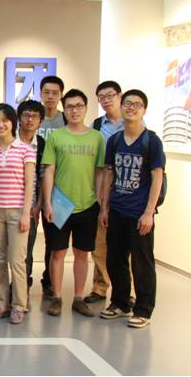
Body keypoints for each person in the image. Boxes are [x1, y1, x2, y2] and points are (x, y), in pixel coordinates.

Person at [99, 89, 164, 329]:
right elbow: (109, 174)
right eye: (127, 103)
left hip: (139, 213)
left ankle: (144, 309)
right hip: (117, 209)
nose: (131, 107)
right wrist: (104, 207)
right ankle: (120, 303)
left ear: (144, 110)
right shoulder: (115, 140)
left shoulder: (151, 141)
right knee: (115, 260)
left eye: (137, 104)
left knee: (142, 263)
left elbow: (157, 177)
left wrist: (149, 212)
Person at [42, 89, 105, 317]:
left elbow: (100, 172)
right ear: (64, 109)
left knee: (82, 254)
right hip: (60, 204)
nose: (74, 110)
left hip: (88, 205)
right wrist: (47, 203)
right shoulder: (56, 137)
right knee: (57, 253)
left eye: (79, 106)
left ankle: (78, 298)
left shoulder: (96, 138)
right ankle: (57, 297)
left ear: (86, 108)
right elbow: (49, 170)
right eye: (69, 106)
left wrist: (101, 203)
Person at [0, 104, 35, 325]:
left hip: (17, 211)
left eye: (5, 120)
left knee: (17, 260)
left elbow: (30, 183)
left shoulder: (25, 149)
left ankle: (19, 305)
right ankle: (2, 303)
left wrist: (26, 213)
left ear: (13, 122)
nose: (0, 124)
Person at [85, 80, 124, 304]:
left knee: (124, 244)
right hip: (102, 187)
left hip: (126, 189)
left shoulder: (135, 122)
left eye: (110, 95)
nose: (106, 100)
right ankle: (100, 287)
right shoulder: (98, 125)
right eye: (101, 97)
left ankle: (126, 290)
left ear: (120, 95)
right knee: (99, 243)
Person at [37, 75, 67, 299]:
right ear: (40, 94)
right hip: (28, 185)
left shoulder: (65, 120)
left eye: (55, 93)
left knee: (53, 239)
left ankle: (49, 281)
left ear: (61, 95)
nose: (50, 96)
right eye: (46, 92)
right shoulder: (32, 117)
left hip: (56, 189)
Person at [16, 100, 46, 292]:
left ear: (40, 121)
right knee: (1, 253)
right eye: (26, 115)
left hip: (30, 206)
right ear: (19, 118)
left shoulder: (41, 144)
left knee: (26, 250)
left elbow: (42, 177)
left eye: (35, 116)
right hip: (6, 203)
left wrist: (38, 205)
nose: (30, 119)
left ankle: (22, 290)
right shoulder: (8, 138)